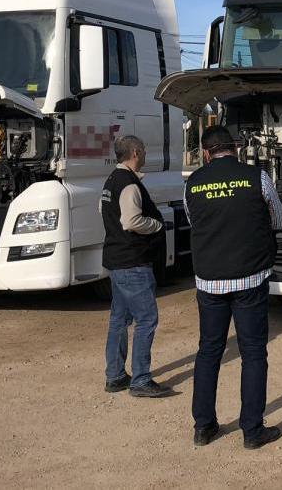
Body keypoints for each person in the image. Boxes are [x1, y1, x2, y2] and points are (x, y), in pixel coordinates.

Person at [186, 125, 282, 450]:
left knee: (209, 351)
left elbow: (194, 220)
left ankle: (203, 427)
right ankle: (252, 431)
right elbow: (277, 220)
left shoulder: (192, 184)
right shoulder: (258, 178)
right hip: (250, 279)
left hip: (209, 281)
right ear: (236, 148)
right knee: (253, 353)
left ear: (205, 153)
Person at [100, 135, 174, 398]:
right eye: (142, 150)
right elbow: (131, 221)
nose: (144, 154)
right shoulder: (129, 184)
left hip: (117, 260)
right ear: (134, 152)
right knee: (146, 319)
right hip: (133, 262)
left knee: (119, 320)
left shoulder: (110, 181)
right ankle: (141, 379)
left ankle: (116, 375)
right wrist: (157, 225)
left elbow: (105, 213)